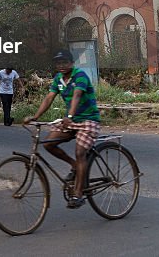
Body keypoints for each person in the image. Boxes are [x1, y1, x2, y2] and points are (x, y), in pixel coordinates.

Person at [24, 49, 101, 209]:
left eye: (65, 62)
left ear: (71, 63)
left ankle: (78, 194)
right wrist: (35, 117)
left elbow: (77, 95)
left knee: (80, 152)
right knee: (48, 144)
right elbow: (49, 98)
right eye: (58, 63)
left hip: (88, 120)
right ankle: (73, 164)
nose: (61, 66)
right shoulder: (58, 79)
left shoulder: (80, 75)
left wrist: (70, 116)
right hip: (70, 121)